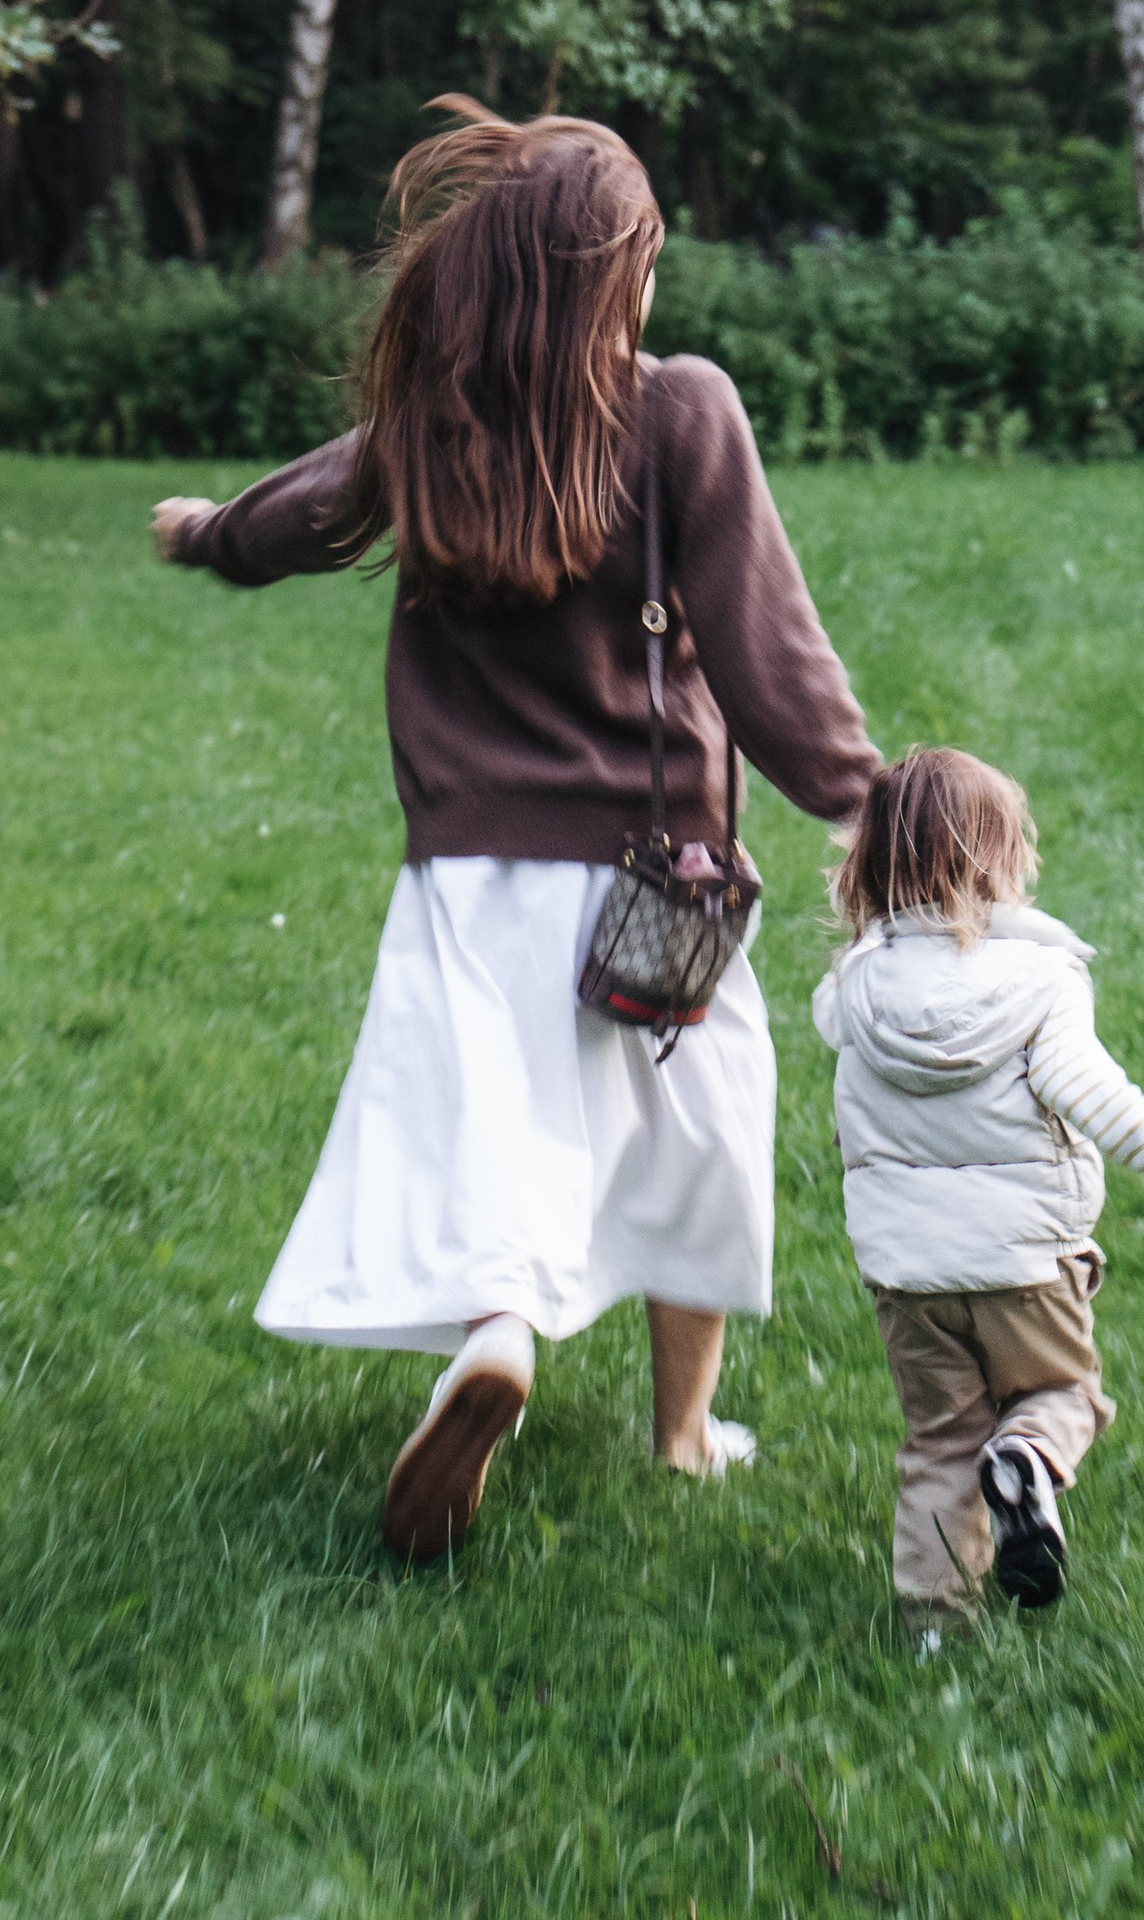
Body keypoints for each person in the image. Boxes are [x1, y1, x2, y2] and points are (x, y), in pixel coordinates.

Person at [153, 104, 880, 1562]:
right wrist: (873, 799)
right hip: (653, 881)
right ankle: (683, 1433)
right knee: (695, 1137)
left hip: (472, 869)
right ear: (617, 277)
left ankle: (497, 1343)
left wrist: (208, 532)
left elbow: (303, 508)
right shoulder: (682, 409)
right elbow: (768, 653)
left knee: (507, 1131)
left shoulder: (436, 423)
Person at [812, 744, 1144, 1631]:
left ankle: (934, 1626)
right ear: (999, 859)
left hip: (906, 1272)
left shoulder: (855, 993)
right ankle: (1024, 1463)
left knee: (942, 1440)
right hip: (1024, 1261)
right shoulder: (1037, 982)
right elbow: (1100, 1101)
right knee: (1061, 1397)